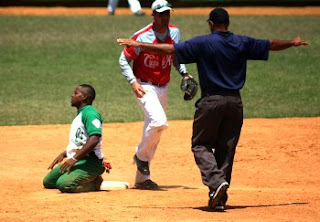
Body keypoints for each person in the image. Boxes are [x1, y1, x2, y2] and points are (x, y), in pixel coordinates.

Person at [117, 7, 308, 210]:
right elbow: (270, 44)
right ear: (228, 23)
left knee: (200, 144)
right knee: (226, 150)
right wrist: (292, 43)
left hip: (211, 102)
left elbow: (171, 50)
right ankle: (218, 198)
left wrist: (139, 44)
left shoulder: (203, 42)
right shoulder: (241, 42)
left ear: (210, 24)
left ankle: (216, 184)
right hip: (235, 104)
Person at [118, 0, 189, 190]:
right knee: (159, 122)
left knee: (154, 130)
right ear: (153, 16)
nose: (165, 17)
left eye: (167, 13)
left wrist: (184, 73)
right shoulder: (142, 36)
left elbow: (177, 56)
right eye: (161, 14)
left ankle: (142, 180)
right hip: (144, 86)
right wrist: (133, 82)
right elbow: (123, 60)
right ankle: (140, 157)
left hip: (164, 87)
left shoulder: (174, 32)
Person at [43, 84, 106, 193]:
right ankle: (85, 177)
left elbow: (94, 138)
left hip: (91, 162)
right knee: (49, 182)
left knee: (64, 185)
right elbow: (81, 142)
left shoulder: (90, 113)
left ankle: (95, 183)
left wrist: (74, 158)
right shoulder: (81, 114)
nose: (72, 96)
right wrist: (65, 154)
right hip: (81, 159)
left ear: (84, 97)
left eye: (76, 93)